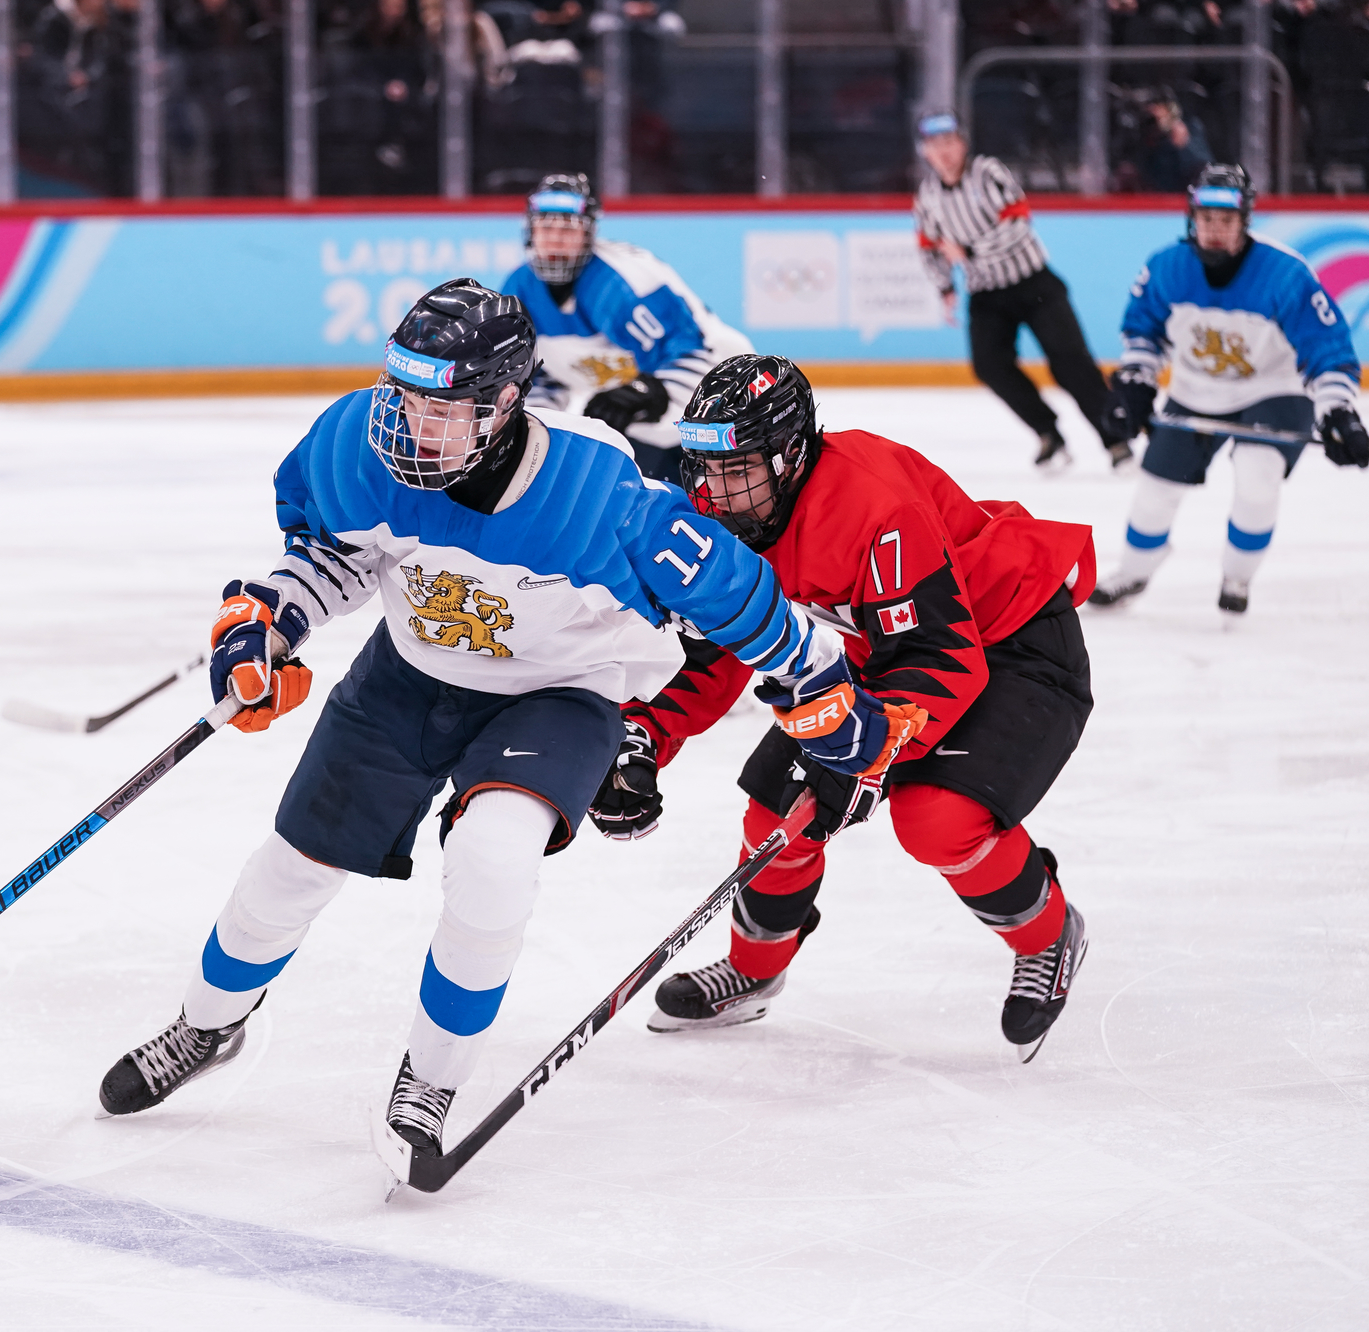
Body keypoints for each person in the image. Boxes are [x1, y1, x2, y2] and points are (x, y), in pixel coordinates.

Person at [94, 280, 853, 1165]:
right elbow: (333, 555)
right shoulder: (358, 441)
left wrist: (813, 673)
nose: (410, 426)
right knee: (292, 869)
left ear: (502, 403)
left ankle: (431, 1080)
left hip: (561, 693)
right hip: (408, 676)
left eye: (440, 408)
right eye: (402, 397)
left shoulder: (595, 489)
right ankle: (206, 1026)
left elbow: (730, 592)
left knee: (493, 860)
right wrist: (269, 623)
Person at [588, 353, 1097, 1059]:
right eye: (705, 470)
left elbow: (939, 658)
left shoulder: (872, 507)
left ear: (792, 456)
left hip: (1011, 643)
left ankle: (1048, 933)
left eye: (737, 472)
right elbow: (710, 651)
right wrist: (639, 737)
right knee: (778, 809)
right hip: (884, 649)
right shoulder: (730, 514)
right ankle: (754, 970)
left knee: (937, 819)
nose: (714, 494)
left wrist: (866, 757)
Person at [1092, 164, 1367, 616]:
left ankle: (1237, 576)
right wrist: (1136, 385)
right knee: (1155, 488)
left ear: (1245, 221)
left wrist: (1338, 411)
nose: (1215, 231)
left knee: (1258, 476)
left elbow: (1327, 349)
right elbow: (1142, 332)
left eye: (1227, 221)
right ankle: (1136, 570)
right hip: (1195, 390)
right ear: (1191, 219)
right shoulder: (1167, 268)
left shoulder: (1284, 275)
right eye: (1206, 220)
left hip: (1274, 391)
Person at [912, 112, 1135, 471]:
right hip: (987, 294)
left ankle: (1116, 439)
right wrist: (944, 287)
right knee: (989, 365)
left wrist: (969, 251)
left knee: (1071, 364)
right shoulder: (927, 197)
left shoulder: (989, 172)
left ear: (963, 143)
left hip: (1034, 284)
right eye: (935, 146)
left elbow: (1017, 223)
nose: (945, 152)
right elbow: (928, 245)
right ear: (925, 152)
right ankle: (1049, 433)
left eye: (950, 142)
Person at [501, 173, 753, 484]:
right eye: (546, 227)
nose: (555, 239)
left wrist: (648, 393)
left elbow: (696, 354)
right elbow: (542, 378)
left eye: (568, 228)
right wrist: (532, 431)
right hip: (642, 426)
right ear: (530, 232)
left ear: (589, 234)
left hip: (725, 397)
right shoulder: (520, 290)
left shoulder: (624, 284)